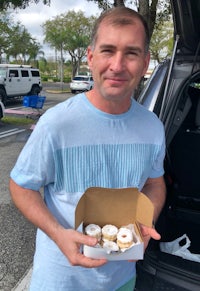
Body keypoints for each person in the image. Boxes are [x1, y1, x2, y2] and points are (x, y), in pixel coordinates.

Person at [9, 7, 166, 291]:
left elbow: (155, 184)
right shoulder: (56, 124)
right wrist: (58, 234)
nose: (117, 65)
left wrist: (147, 218)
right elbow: (21, 186)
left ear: (145, 63)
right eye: (108, 50)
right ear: (91, 57)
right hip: (61, 280)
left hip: (122, 279)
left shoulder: (153, 127)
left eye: (131, 53)